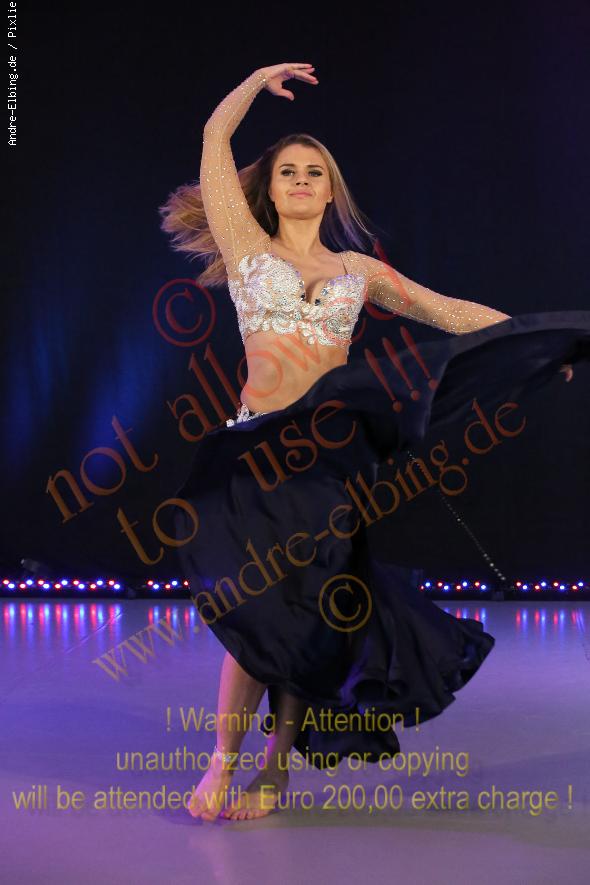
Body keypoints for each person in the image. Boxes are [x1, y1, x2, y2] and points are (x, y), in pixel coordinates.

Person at [159, 62, 587, 822]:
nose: (300, 181)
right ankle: (222, 760)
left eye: (313, 173)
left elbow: (447, 311)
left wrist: (532, 347)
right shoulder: (248, 249)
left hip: (326, 464)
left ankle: (273, 771)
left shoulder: (356, 270)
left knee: (308, 616)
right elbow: (214, 137)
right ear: (272, 190)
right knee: (253, 610)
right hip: (255, 456)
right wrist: (256, 82)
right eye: (288, 172)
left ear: (330, 192)